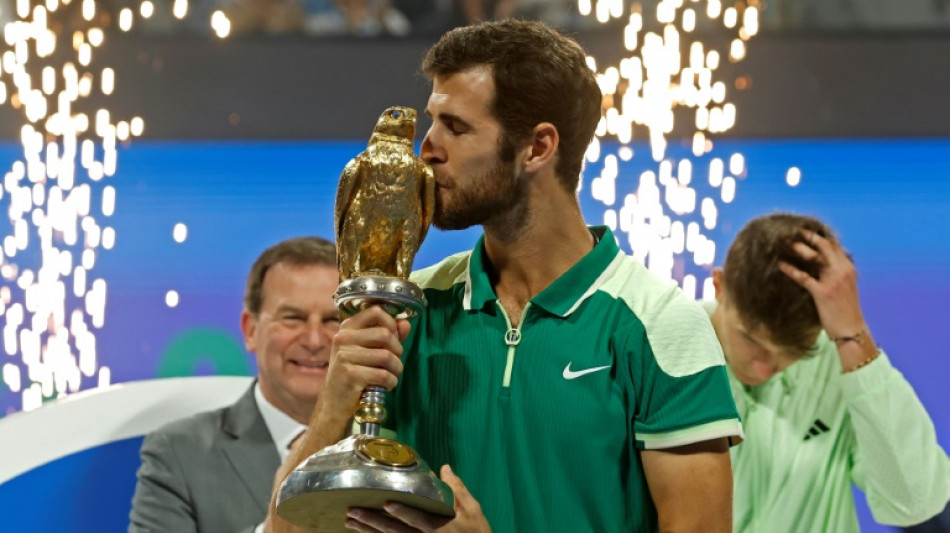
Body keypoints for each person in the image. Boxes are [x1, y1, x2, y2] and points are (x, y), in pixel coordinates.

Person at [267, 19, 743, 533]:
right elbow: (286, 530)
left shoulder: (661, 326)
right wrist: (335, 402)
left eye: (456, 127)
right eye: (432, 121)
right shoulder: (406, 310)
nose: (426, 149)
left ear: (537, 148)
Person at [707, 213, 950, 533]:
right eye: (750, 340)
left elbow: (915, 503)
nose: (765, 369)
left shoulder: (839, 365)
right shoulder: (653, 360)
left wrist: (853, 334)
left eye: (794, 352)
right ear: (719, 287)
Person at [129, 236, 340, 533]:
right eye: (293, 318)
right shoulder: (180, 452)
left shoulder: (390, 442)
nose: (314, 340)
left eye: (334, 320)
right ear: (250, 330)